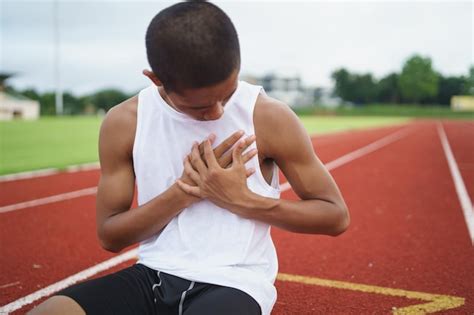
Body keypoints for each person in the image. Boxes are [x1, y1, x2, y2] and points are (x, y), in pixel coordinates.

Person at [29, 1, 349, 315]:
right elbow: (110, 236)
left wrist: (243, 200)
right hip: (153, 275)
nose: (218, 112)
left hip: (235, 281)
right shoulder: (125, 122)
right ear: (156, 79)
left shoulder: (268, 116)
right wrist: (184, 191)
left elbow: (335, 216)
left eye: (227, 94)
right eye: (200, 107)